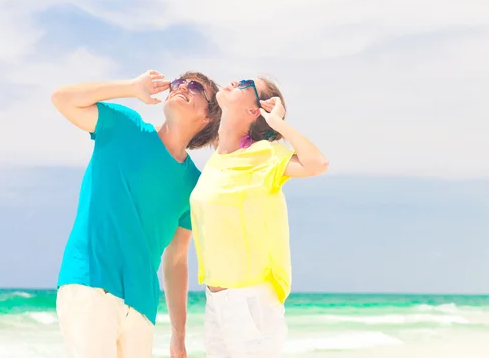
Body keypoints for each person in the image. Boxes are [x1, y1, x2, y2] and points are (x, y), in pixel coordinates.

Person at [51, 69, 221, 358]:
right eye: (179, 83)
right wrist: (131, 87)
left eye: (195, 87)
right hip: (89, 283)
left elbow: (177, 259)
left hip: (141, 304)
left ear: (207, 117)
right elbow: (62, 99)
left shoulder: (194, 185)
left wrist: (178, 335)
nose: (182, 87)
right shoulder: (123, 126)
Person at [189, 77, 329, 358]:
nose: (234, 81)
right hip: (216, 297)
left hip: (251, 298)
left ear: (256, 111)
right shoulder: (217, 160)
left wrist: (278, 124)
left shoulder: (267, 155)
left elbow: (318, 164)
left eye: (245, 83)